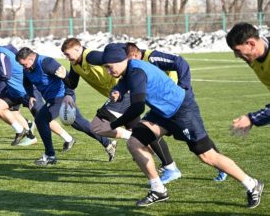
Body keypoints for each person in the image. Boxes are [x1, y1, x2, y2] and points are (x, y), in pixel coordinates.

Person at [99, 43, 263, 208]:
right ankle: (158, 189)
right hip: (161, 113)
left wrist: (115, 124)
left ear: (121, 60)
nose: (108, 71)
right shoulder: (129, 69)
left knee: (207, 156)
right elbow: (123, 83)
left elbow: (137, 108)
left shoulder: (136, 72)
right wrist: (118, 91)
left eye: (109, 66)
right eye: (105, 67)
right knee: (135, 142)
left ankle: (251, 183)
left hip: (182, 111)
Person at [61, 38, 179, 176]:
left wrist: (134, 57)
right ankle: (170, 166)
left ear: (78, 49)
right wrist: (64, 79)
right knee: (143, 132)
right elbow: (72, 83)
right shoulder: (75, 65)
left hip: (124, 93)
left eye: (68, 54)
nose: (66, 57)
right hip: (119, 95)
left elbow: (116, 57)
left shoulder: (91, 56)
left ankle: (141, 143)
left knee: (97, 126)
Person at [124, 42, 227, 182]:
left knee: (197, 139)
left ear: (135, 55)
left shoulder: (152, 57)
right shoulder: (134, 67)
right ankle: (169, 168)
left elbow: (180, 62)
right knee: (144, 131)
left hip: (177, 102)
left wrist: (183, 86)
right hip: (162, 105)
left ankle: (222, 165)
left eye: (128, 59)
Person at [15, 47, 115, 165]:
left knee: (41, 120)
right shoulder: (28, 69)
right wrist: (31, 95)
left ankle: (50, 155)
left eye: (24, 64)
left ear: (31, 58)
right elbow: (26, 82)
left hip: (63, 97)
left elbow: (67, 77)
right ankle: (108, 143)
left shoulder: (47, 63)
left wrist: (69, 94)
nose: (24, 67)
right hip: (53, 99)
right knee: (79, 124)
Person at [226, 22, 270, 136]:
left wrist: (252, 118)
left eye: (238, 51)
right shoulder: (253, 57)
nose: (237, 56)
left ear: (251, 44)